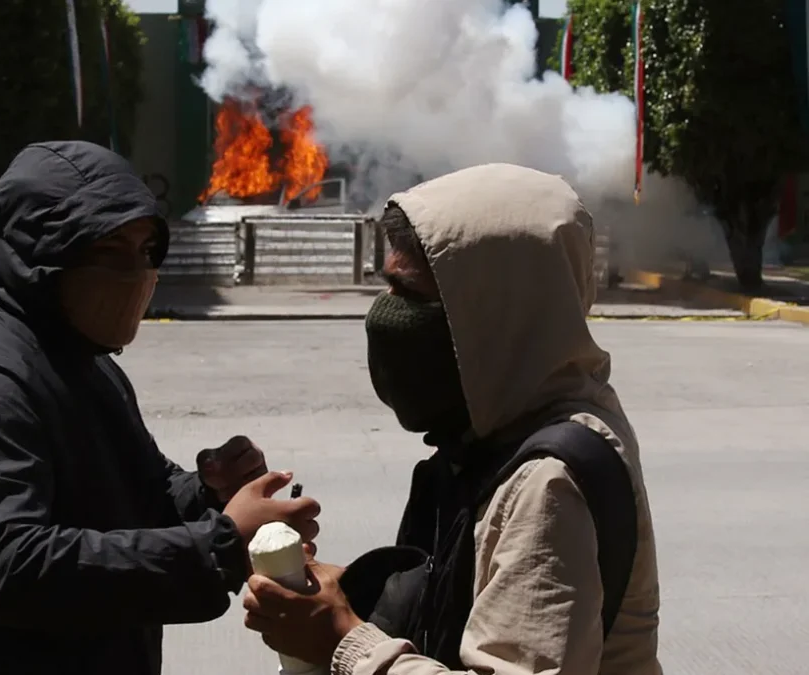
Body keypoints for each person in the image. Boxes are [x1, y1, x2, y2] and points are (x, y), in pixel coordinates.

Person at [0, 140, 320, 675]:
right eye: (111, 254)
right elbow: (3, 566)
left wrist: (208, 491)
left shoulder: (80, 357)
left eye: (145, 253)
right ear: (41, 256)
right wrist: (220, 544)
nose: (137, 275)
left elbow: (133, 491)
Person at [242, 164, 662, 675]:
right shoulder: (505, 425)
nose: (385, 317)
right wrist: (342, 595)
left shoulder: (549, 481)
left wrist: (344, 642)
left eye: (410, 296)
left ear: (494, 316)